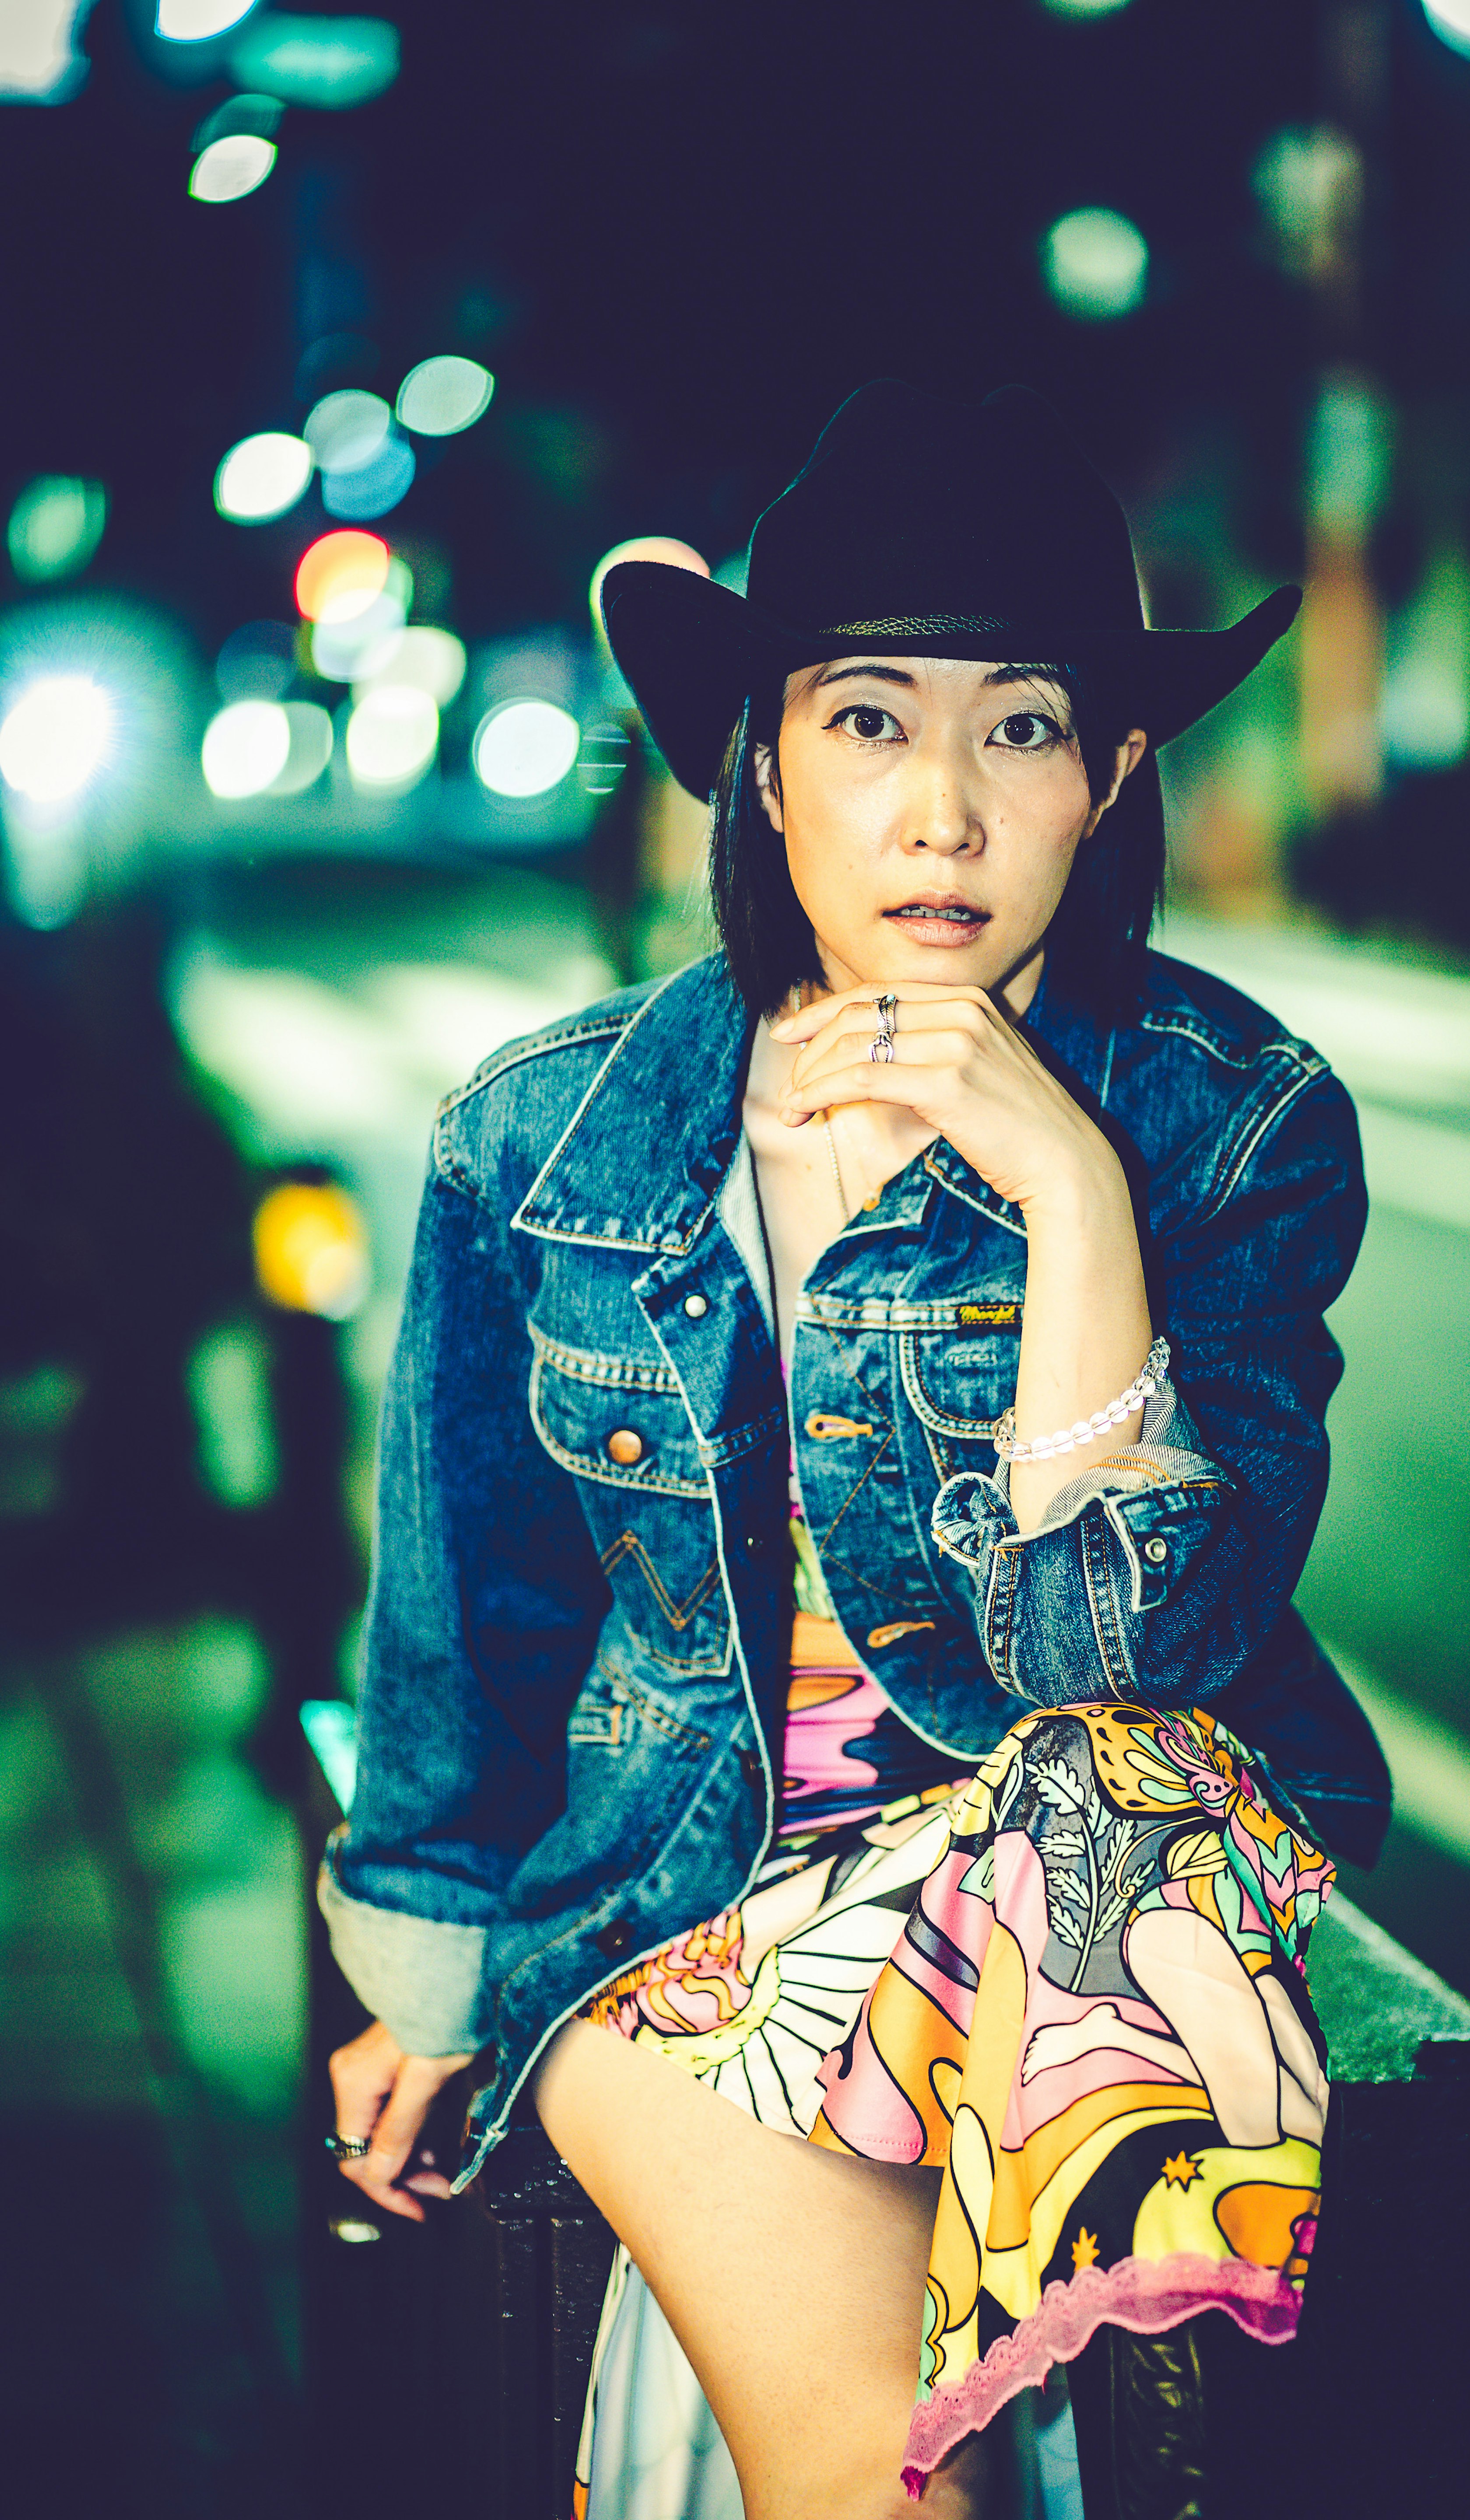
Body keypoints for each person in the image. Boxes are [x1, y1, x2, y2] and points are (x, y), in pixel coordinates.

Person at [320, 381, 1389, 2518]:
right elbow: (474, 1611)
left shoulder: (1227, 1122)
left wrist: (1068, 1191)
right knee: (881, 2485)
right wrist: (425, 1980)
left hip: (1079, 1895)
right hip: (681, 1913)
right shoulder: (547, 1137)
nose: (944, 817)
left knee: (1109, 1780)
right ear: (765, 761)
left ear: (1114, 773)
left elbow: (1134, 1667)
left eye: (1022, 730)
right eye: (871, 721)